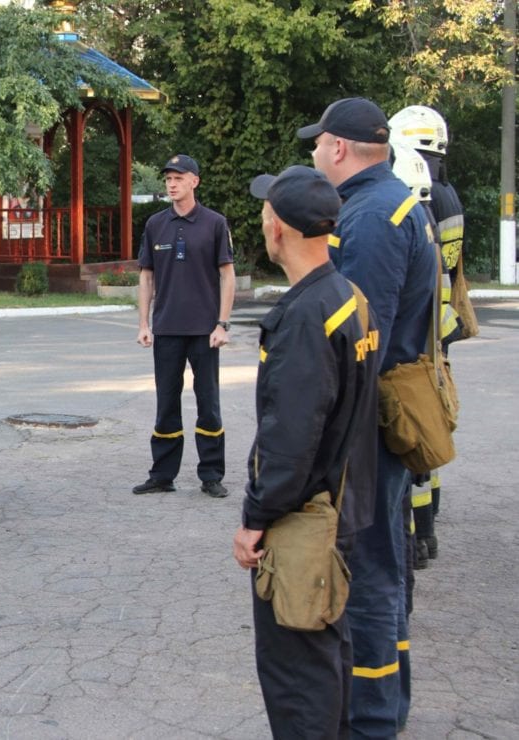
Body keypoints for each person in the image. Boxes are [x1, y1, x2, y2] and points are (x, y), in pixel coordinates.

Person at [299, 96, 436, 734]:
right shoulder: (384, 202)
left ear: (341, 148)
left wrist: (325, 439)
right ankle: (382, 706)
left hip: (371, 426)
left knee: (373, 565)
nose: (314, 153)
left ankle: (374, 718)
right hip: (383, 418)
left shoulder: (374, 216)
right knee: (383, 561)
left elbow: (362, 342)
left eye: (318, 144)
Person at [234, 165, 379, 737]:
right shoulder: (348, 296)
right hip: (341, 508)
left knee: (297, 677)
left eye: (266, 209)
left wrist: (255, 518)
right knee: (326, 658)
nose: (262, 217)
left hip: (302, 520)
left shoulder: (303, 317)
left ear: (279, 228)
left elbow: (289, 441)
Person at [390, 104, 468, 567]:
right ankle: (429, 528)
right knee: (432, 421)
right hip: (440, 327)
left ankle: (418, 537)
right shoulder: (449, 195)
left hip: (415, 329)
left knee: (411, 428)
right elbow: (453, 268)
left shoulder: (412, 193)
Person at [134, 154, 236, 498]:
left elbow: (227, 276)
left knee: (208, 402)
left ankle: (211, 475)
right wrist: (144, 323)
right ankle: (162, 475)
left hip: (205, 331)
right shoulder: (155, 225)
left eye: (178, 178)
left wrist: (222, 323)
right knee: (166, 402)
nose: (172, 184)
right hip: (166, 329)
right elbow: (146, 277)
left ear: (195, 181)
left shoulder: (214, 223)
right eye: (168, 179)